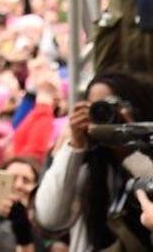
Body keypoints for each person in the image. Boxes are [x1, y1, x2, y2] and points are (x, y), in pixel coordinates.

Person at [33, 71, 153, 251]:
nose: (106, 116)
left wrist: (130, 150)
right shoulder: (84, 158)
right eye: (98, 108)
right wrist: (74, 147)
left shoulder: (148, 146)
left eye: (113, 107)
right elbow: (50, 218)